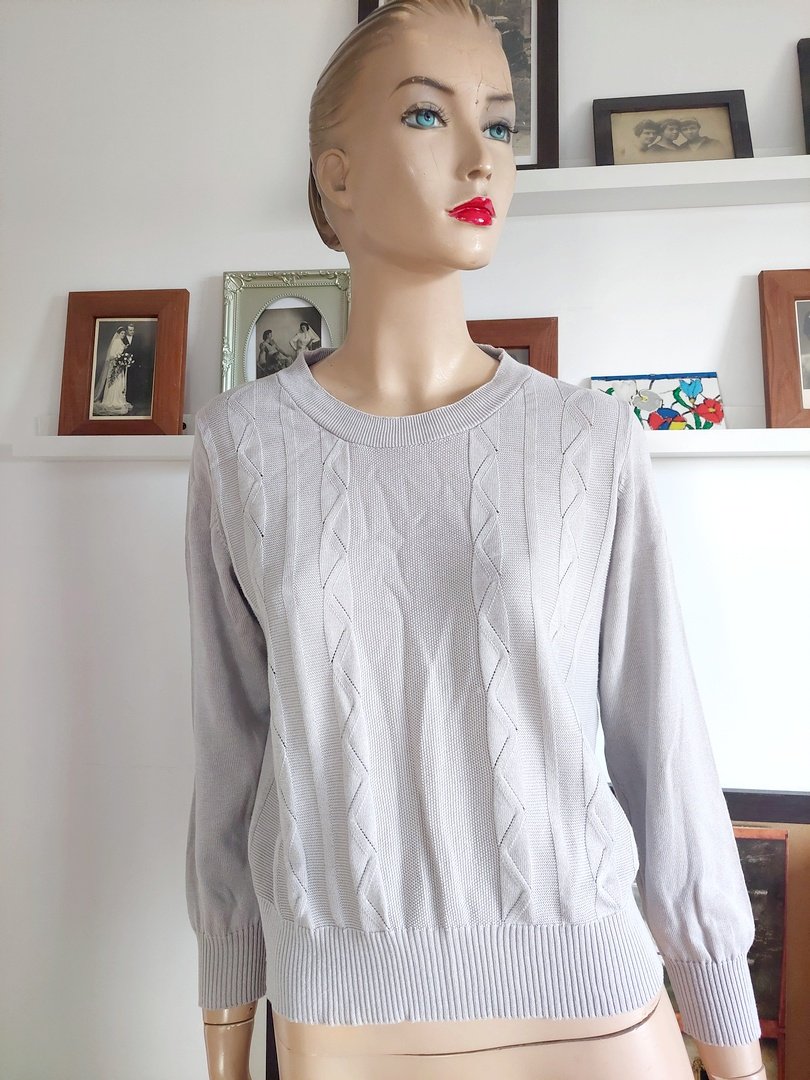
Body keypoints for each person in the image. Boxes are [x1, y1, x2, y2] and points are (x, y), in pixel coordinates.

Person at [184, 3, 765, 1078]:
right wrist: (226, 1014)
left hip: (594, 1009)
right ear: (336, 176)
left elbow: (663, 745)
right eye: (426, 114)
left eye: (497, 124)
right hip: (339, 1015)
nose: (479, 157)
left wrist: (725, 1028)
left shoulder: (589, 441)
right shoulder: (241, 447)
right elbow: (231, 757)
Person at [92, 323, 135, 415]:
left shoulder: (121, 342)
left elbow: (120, 352)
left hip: (119, 365)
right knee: (114, 382)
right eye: (122, 333)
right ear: (118, 333)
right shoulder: (116, 341)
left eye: (124, 333)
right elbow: (111, 355)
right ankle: (111, 400)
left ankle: (118, 399)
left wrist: (123, 358)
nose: (123, 335)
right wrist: (119, 357)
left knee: (120, 383)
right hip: (115, 365)